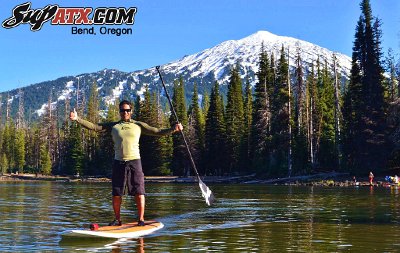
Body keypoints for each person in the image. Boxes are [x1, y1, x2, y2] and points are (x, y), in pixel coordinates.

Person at [70, 100, 183, 226]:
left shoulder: (138, 125)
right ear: (119, 112)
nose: (125, 113)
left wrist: (173, 129)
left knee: (139, 192)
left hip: (135, 161)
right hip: (119, 162)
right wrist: (77, 119)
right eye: (123, 110)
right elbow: (95, 127)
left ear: (131, 111)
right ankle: (118, 220)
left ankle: (141, 219)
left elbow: (157, 131)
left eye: (127, 110)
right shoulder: (113, 126)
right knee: (117, 193)